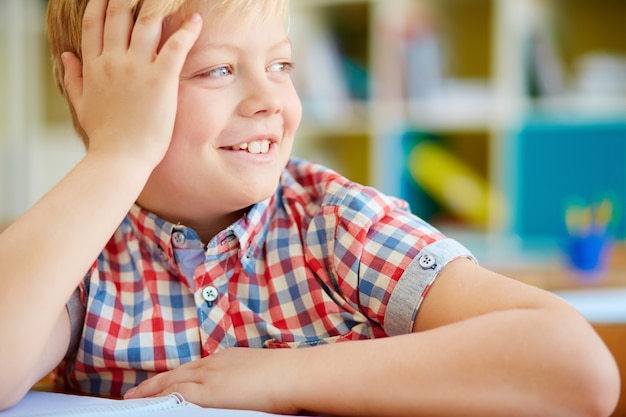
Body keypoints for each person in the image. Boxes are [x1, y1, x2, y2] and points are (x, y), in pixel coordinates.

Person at [0, 0, 620, 415]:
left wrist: (285, 376)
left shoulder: (336, 224)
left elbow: (576, 370)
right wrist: (117, 156)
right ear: (97, 103)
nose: (270, 97)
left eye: (281, 64)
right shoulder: (77, 253)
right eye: (217, 70)